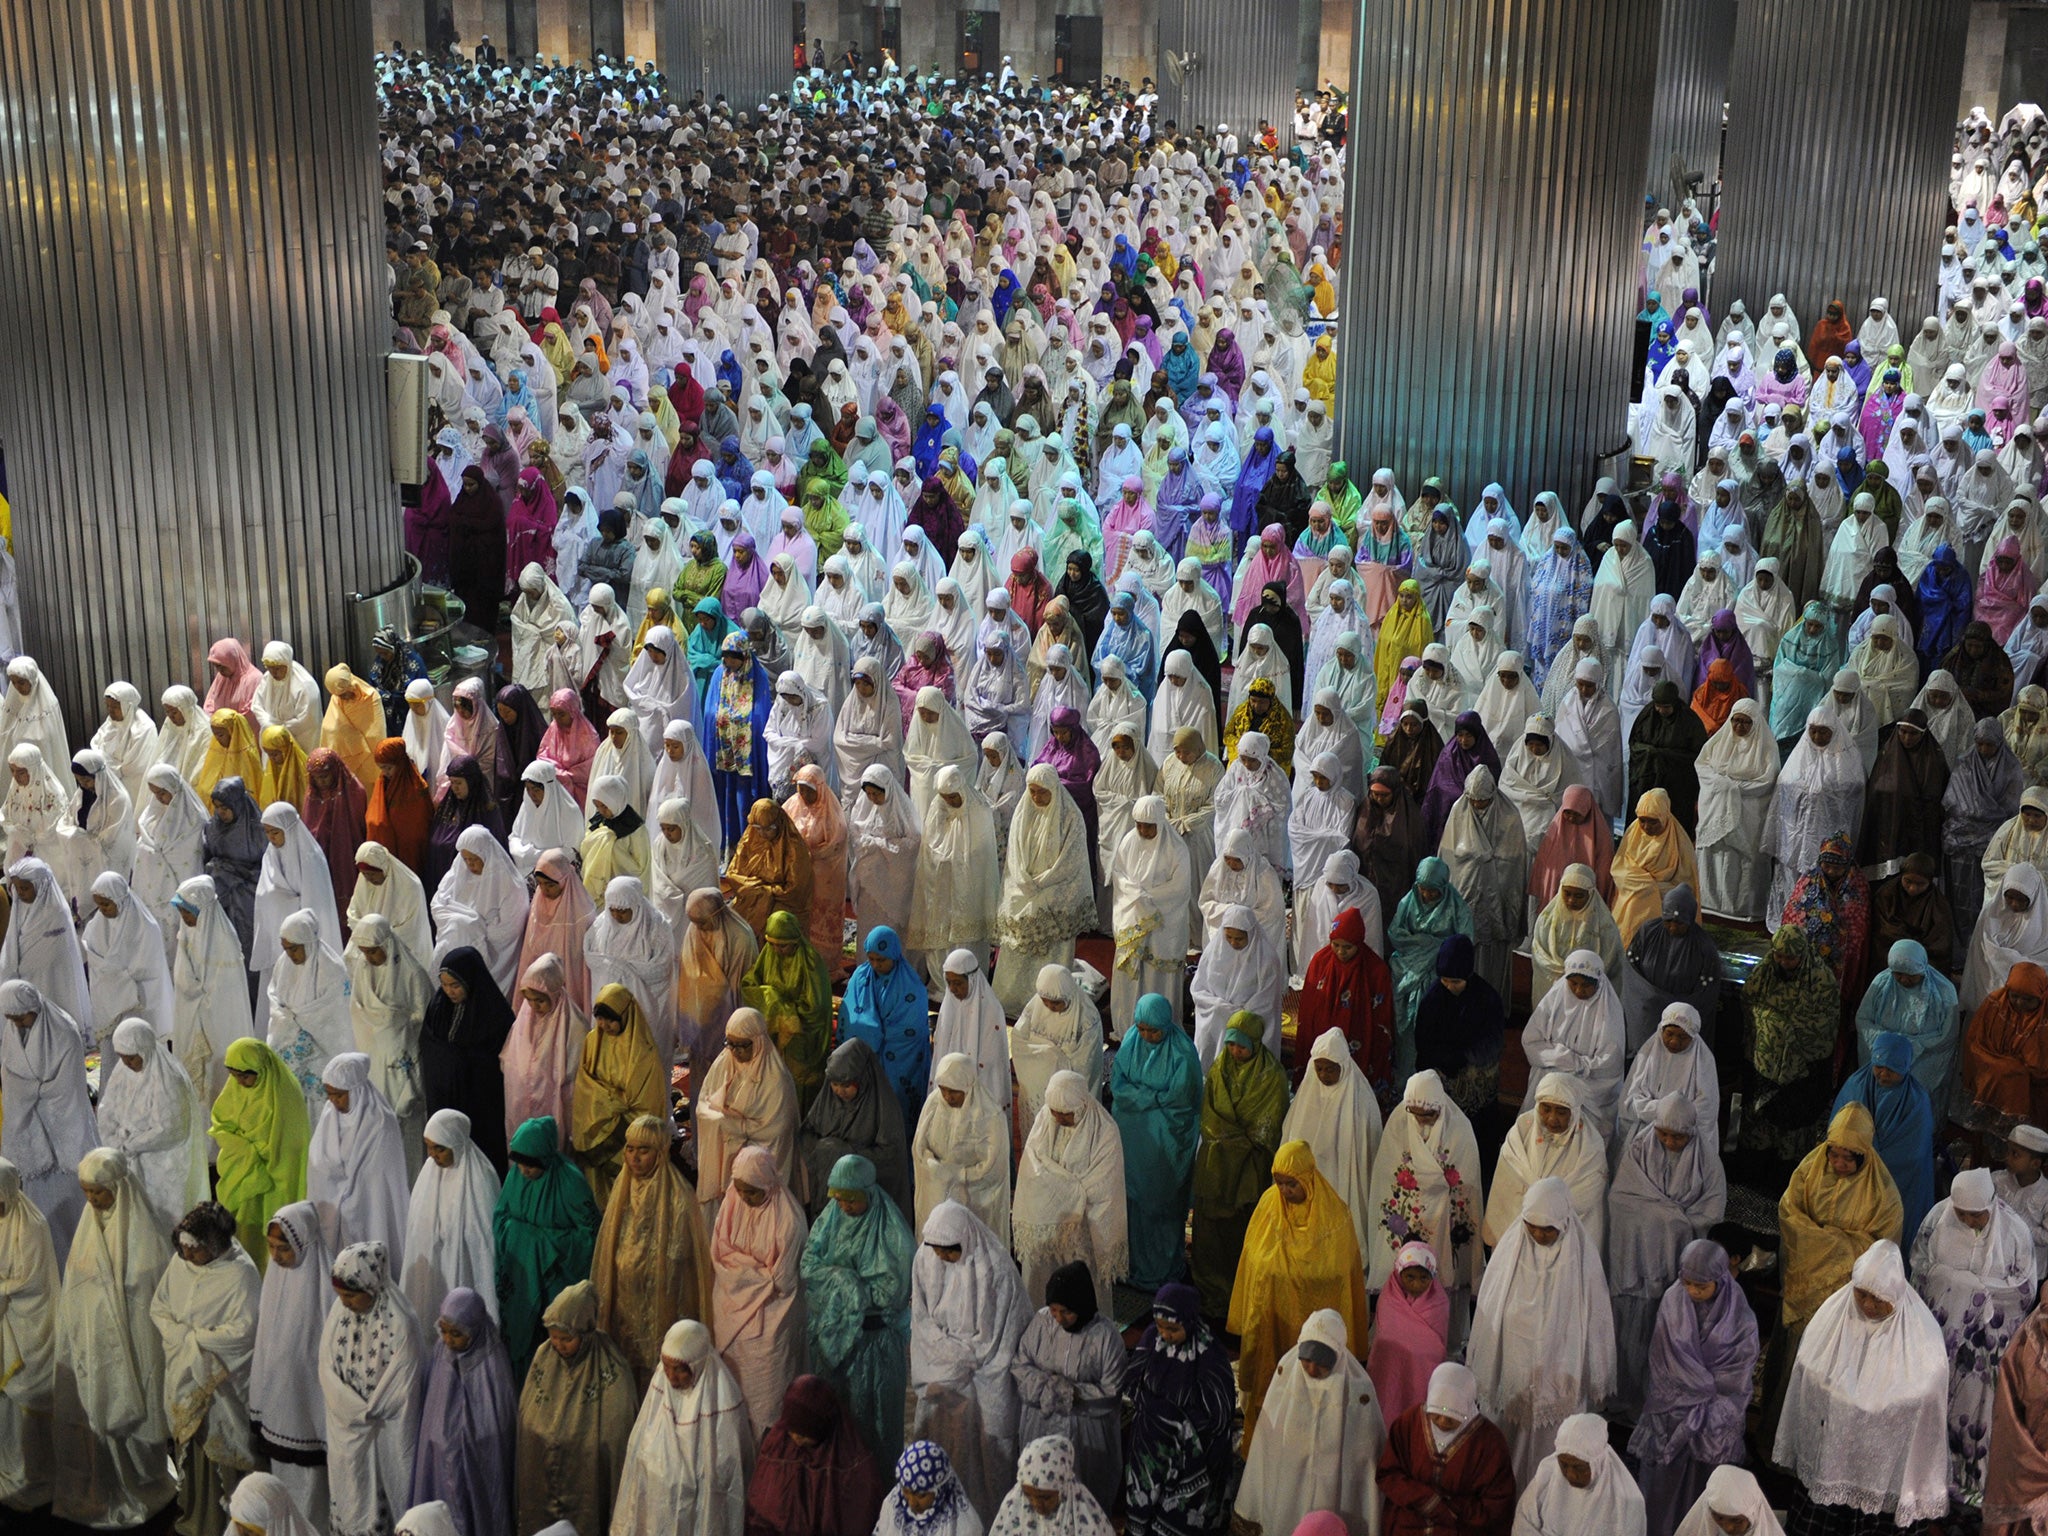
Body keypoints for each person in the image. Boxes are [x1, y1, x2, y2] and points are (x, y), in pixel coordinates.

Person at [1772, 1240, 1952, 1534]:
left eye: (1878, 1298)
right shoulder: (1835, 1313)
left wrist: (1877, 1405)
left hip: (1882, 1467)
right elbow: (1809, 1364)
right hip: (1832, 1452)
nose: (1867, 1305)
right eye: (1862, 1294)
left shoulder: (1921, 1333)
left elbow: (1928, 1388)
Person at [1767, 1102, 1906, 1446]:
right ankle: (1777, 1438)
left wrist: (1829, 1243)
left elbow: (1881, 1248)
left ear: (1864, 1156)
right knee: (1793, 1360)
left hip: (1844, 1297)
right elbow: (1790, 1213)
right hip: (1804, 1286)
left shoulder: (1883, 1194)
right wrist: (1833, 1242)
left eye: (1849, 1158)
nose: (1840, 1164)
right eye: (1835, 1155)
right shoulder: (1808, 1171)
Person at [51, 1148, 176, 1528]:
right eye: (87, 1192)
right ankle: (111, 1487)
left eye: (99, 1192)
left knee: (140, 1418)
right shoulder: (87, 1231)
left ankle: (145, 1485)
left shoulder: (146, 1235)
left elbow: (150, 1285)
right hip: (99, 1343)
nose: (92, 1200)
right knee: (102, 1416)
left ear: (119, 1189)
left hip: (137, 1346)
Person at [1466, 1177, 1616, 1485]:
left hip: (1560, 1368)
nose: (1538, 1234)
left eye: (1548, 1228)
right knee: (1504, 1440)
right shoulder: (1510, 1251)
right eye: (1532, 1225)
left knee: (1552, 1445)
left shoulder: (1582, 1259)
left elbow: (1597, 1322)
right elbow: (1489, 1313)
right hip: (1513, 1366)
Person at [1227, 1138, 1370, 1452]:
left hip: (1312, 1322)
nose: (1284, 1191)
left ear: (1307, 1178)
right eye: (1279, 1183)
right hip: (1272, 1317)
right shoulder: (1268, 1206)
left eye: (1291, 1184)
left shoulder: (1335, 1215)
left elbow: (1340, 1273)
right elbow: (1253, 1259)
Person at [909, 1200, 1032, 1522]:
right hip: (942, 1363)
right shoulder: (924, 1257)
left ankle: (991, 1518)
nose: (942, 1258)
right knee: (940, 1433)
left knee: (988, 1446)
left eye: (949, 1252)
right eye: (936, 1250)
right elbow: (921, 1320)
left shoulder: (996, 1268)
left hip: (986, 1371)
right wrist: (948, 1359)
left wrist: (966, 1360)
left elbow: (1005, 1334)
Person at [1604, 1096, 1728, 1415]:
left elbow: (1712, 1208)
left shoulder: (1707, 1162)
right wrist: (1669, 1216)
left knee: (1669, 1335)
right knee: (1630, 1331)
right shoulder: (1639, 1148)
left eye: (1678, 1136)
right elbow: (1621, 1199)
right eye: (1663, 1134)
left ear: (1691, 1132)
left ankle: (1658, 1406)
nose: (1669, 1142)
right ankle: (1624, 1400)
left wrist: (1675, 1221)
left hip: (1677, 1261)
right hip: (1638, 1260)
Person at [149, 1202, 264, 1535]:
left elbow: (244, 1331)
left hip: (221, 1382)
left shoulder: (240, 1273)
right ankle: (195, 1513)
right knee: (191, 1449)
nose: (187, 1255)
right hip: (185, 1372)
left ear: (215, 1244)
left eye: (194, 1249)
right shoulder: (180, 1263)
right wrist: (184, 1341)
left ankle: (225, 1522)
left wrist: (194, 1340)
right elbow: (160, 1308)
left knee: (220, 1451)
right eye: (183, 1247)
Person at [800, 1153, 915, 1463]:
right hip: (835, 1344)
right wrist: (846, 1281)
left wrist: (849, 1289)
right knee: (840, 1421)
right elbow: (809, 1265)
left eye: (852, 1199)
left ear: (869, 1192)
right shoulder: (829, 1220)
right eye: (839, 1199)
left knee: (875, 1426)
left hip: (876, 1346)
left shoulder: (893, 1232)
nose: (845, 1207)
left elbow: (893, 1291)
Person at [1233, 1307, 1386, 1536]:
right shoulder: (1287, 1372)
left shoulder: (1358, 1390)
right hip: (1290, 1473)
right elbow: (1269, 1439)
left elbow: (1365, 1453)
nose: (1312, 1369)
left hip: (1334, 1485)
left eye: (1322, 1363)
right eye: (1306, 1360)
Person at [593, 1113, 714, 1393]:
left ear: (660, 1153)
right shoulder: (622, 1190)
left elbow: (681, 1260)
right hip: (624, 1296)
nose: (634, 1158)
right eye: (630, 1149)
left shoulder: (678, 1196)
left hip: (660, 1298)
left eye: (644, 1150)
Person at [514, 1280, 641, 1536]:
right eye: (553, 1336)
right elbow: (528, 1413)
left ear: (586, 1332)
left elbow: (617, 1431)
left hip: (586, 1476)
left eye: (567, 1339)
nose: (558, 1345)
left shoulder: (610, 1366)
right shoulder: (543, 1356)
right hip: (543, 1471)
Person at [610, 1319, 755, 1536]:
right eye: (666, 1367)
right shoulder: (660, 1386)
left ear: (696, 1366)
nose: (670, 1376)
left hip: (701, 1505)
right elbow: (640, 1448)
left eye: (679, 1370)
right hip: (659, 1502)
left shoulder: (722, 1400)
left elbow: (730, 1464)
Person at [320, 1240, 425, 1536]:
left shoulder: (401, 1323)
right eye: (340, 1295)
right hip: (346, 1426)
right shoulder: (338, 1313)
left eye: (351, 1296)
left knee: (386, 1493)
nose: (344, 1302)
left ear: (371, 1286)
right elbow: (326, 1366)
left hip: (384, 1431)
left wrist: (367, 1412)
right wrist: (350, 1410)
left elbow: (403, 1382)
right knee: (351, 1492)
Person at [1011, 1261, 1128, 1513]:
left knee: (1081, 1498)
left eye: (1066, 1312)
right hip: (1040, 1425)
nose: (1059, 1318)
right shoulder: (1042, 1323)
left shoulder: (1106, 1337)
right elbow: (1021, 1365)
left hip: (1085, 1432)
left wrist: (1071, 1393)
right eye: (1054, 1310)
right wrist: (1048, 1387)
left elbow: (1111, 1390)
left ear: (1082, 1306)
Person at [711, 1143, 810, 1439]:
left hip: (772, 1317)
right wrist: (755, 1273)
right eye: (740, 1189)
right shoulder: (732, 1202)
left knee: (767, 1395)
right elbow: (719, 1254)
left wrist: (742, 1270)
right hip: (731, 1313)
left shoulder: (789, 1219)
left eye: (752, 1191)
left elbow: (783, 1281)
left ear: (768, 1182)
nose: (745, 1197)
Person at [494, 1115, 603, 1382]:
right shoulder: (515, 1178)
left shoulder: (570, 1182)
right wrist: (522, 1237)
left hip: (554, 1280)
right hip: (521, 1278)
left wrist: (542, 1244)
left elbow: (590, 1233)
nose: (524, 1171)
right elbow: (500, 1217)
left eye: (531, 1165)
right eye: (519, 1164)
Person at [1013, 1071, 1127, 1318]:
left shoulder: (1104, 1130)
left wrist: (1063, 1190)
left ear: (1082, 1105)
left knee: (1081, 1283)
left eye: (1066, 1114)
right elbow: (1033, 1166)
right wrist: (1063, 1189)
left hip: (1083, 1226)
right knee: (1040, 1275)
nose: (1059, 1118)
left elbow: (1103, 1184)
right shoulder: (1046, 1117)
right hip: (1046, 1219)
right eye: (1055, 1112)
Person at [408, 1286, 518, 1536]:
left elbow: (499, 1424)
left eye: (456, 1334)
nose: (448, 1339)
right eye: (444, 1331)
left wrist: (468, 1441)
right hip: (440, 1459)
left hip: (478, 1462)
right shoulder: (441, 1353)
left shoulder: (492, 1362)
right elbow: (432, 1412)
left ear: (475, 1329)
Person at [1742, 926, 1844, 1172]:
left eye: (1790, 957)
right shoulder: (1766, 971)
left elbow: (1824, 1024)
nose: (1784, 962)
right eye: (1779, 955)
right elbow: (1749, 1002)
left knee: (1793, 1122)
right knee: (1760, 1120)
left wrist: (1782, 1025)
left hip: (1801, 1071)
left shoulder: (1821, 979)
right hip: (1764, 1063)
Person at [1375, 1361, 1517, 1536]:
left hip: (1462, 1525)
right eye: (1436, 1414)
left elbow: (1498, 1505)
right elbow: (1388, 1473)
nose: (1442, 1422)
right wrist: (1424, 1499)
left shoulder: (1489, 1442)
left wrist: (1449, 1508)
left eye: (1452, 1417)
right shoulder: (1409, 1423)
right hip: (1411, 1516)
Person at [211, 1035, 313, 1269]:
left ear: (262, 1070)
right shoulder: (235, 1089)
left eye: (246, 1076)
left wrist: (261, 1153)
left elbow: (293, 1142)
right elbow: (221, 1123)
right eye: (234, 1076)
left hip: (276, 1175)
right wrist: (245, 1151)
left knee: (273, 1225)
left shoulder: (284, 1093)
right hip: (244, 1172)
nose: (239, 1082)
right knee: (245, 1228)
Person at [745, 1373, 887, 1536]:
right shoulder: (778, 1444)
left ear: (821, 1424)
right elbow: (761, 1508)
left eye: (804, 1434)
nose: (796, 1439)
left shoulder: (853, 1465)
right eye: (792, 1431)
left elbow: (858, 1519)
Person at [401, 1108, 502, 1329]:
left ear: (456, 1144)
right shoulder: (428, 1174)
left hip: (465, 1262)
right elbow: (417, 1225)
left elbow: (484, 1237)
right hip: (435, 1263)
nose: (432, 1154)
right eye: (428, 1146)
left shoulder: (480, 1176)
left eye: (440, 1148)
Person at [1485, 1072, 1611, 1249]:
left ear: (1574, 1112)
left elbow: (1586, 1195)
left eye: (1561, 1112)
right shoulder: (1522, 1130)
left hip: (1564, 1236)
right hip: (1521, 1227)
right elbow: (1507, 1182)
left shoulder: (1590, 1145)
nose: (1552, 1119)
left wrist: (1546, 1211)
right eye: (1546, 1109)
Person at [1835, 1031, 1939, 1243]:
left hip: (1899, 1182)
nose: (1883, 1074)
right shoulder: (1856, 1085)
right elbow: (1841, 1128)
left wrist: (1872, 1161)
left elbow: (1915, 1154)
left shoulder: (1917, 1101)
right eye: (1878, 1066)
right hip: (1854, 1170)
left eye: (1892, 1069)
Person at [569, 984, 667, 1208]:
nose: (605, 1026)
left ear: (626, 1015)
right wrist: (609, 1102)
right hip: (597, 1124)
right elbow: (585, 1083)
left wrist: (613, 1108)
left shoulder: (643, 1052)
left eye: (611, 1020)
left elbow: (648, 1103)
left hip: (628, 1132)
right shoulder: (593, 1040)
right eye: (600, 1019)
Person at [308, 1050, 412, 1260]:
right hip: (332, 1209)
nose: (333, 1101)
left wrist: (349, 1197)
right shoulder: (330, 1115)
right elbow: (318, 1162)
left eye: (339, 1094)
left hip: (367, 1207)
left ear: (356, 1091)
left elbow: (376, 1179)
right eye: (329, 1094)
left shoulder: (381, 1122)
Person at [421, 947, 515, 1175]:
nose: (449, 991)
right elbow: (428, 1042)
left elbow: (499, 1059)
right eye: (444, 985)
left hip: (478, 1101)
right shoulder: (438, 1006)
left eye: (455, 985)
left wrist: (461, 1059)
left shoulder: (494, 1014)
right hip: (444, 1094)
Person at [0, 1154, 59, 1512]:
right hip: (4, 1321)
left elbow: (32, 1280)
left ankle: (33, 1473)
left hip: (27, 1325)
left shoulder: (31, 1224)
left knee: (27, 1400)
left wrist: (2, 1289)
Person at [1517, 954, 1626, 1139]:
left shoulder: (1609, 1013)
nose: (1578, 990)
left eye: (1586, 986)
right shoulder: (1554, 1001)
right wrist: (1565, 1059)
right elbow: (1531, 1042)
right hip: (1549, 1081)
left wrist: (1579, 1070)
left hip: (1588, 1089)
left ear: (1598, 983)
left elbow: (1610, 1063)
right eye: (1573, 983)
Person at [838, 929, 932, 1130]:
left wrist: (872, 1033)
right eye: (871, 958)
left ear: (894, 955)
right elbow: (849, 1016)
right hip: (865, 1060)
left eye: (881, 960)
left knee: (893, 1112)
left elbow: (911, 1032)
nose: (875, 965)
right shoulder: (861, 977)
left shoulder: (911, 987)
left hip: (897, 1061)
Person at [743, 910, 835, 1113]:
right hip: (774, 1035)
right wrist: (770, 999)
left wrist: (783, 1010)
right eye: (772, 943)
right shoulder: (769, 954)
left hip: (802, 1038)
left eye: (782, 945)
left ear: (795, 940)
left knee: (799, 1086)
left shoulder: (810, 962)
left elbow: (816, 1009)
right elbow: (750, 983)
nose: (777, 950)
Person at [1620, 884, 1722, 1055]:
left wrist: (1676, 1010)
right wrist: (1651, 999)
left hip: (1679, 1025)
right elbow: (1630, 971)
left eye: (1680, 923)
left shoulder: (1704, 947)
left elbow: (1707, 993)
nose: (1673, 927)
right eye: (1668, 921)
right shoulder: (1648, 932)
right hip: (1646, 1014)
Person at [1510, 1413, 1646, 1536]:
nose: (1570, 1475)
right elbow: (1523, 1520)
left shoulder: (1627, 1501)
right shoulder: (1548, 1473)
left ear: (1598, 1462)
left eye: (1579, 1468)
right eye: (1563, 1465)